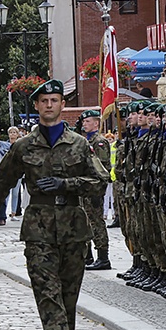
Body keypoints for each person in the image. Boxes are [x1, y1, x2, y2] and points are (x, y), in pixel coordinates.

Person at [0, 79, 108, 330]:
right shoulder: (23, 147)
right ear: (36, 106)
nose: (49, 105)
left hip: (74, 228)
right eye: (44, 100)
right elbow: (0, 184)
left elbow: (99, 180)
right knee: (47, 294)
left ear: (62, 105)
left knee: (68, 299)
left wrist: (67, 185)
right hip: (39, 230)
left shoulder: (78, 144)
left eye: (55, 100)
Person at [77, 110, 112, 270]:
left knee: (97, 223)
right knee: (84, 223)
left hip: (94, 189)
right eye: (84, 122)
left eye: (88, 121)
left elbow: (103, 168)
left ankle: (103, 257)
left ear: (96, 123)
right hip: (84, 189)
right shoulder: (85, 141)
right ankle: (87, 256)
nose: (85, 124)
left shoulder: (99, 142)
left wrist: (99, 190)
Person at [6, 126, 23, 219]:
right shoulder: (4, 145)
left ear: (17, 134)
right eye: (11, 132)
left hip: (17, 172)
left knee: (16, 193)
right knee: (6, 193)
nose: (12, 134)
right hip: (7, 172)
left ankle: (13, 212)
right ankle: (3, 213)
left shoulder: (20, 145)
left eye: (14, 132)